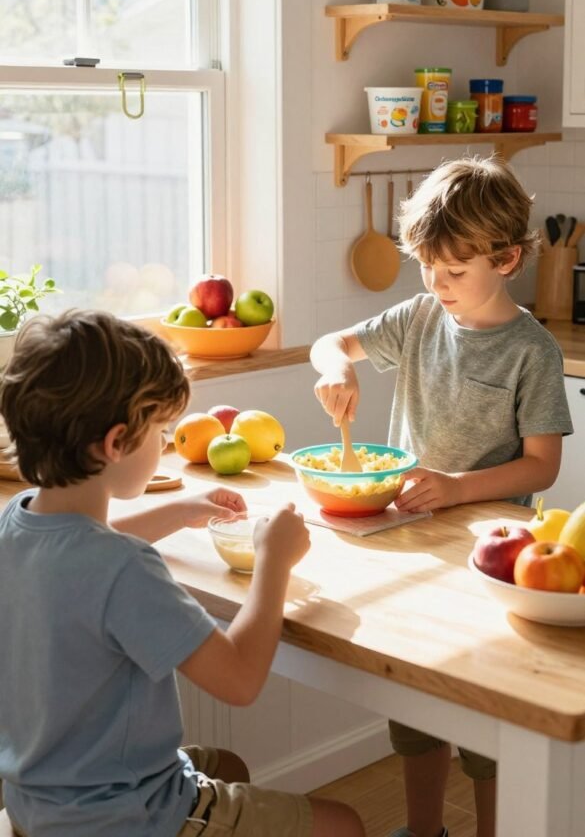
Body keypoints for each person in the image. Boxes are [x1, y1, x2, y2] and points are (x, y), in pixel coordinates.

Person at [0, 309, 365, 837]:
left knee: (228, 767)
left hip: (42, 799)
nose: (167, 444)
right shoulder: (124, 569)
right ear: (117, 442)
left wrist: (182, 509)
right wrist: (273, 562)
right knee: (344, 825)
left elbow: (84, 548)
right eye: (162, 432)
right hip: (125, 817)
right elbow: (239, 679)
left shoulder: (18, 520)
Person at [310, 156, 573, 837]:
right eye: (427, 266)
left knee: (486, 717)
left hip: (488, 559)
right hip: (412, 542)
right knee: (415, 706)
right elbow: (329, 343)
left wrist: (457, 487)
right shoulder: (419, 318)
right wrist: (337, 365)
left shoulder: (531, 350)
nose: (438, 282)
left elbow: (541, 467)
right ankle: (423, 831)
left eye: (455, 271)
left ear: (508, 259)